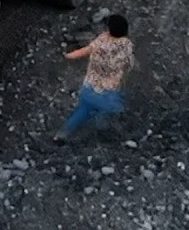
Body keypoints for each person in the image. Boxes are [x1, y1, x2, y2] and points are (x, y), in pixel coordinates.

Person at [53, 14, 134, 143]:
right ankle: (102, 129)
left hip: (89, 89)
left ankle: (61, 135)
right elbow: (128, 67)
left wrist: (67, 56)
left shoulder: (101, 40)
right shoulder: (127, 45)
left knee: (82, 111)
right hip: (109, 93)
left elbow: (84, 51)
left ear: (109, 29)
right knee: (110, 111)